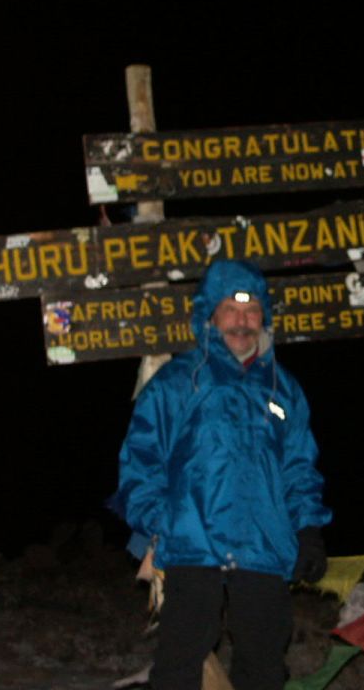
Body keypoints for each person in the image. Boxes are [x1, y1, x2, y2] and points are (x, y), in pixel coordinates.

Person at [113, 259, 332, 690]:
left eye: (251, 312)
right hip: (194, 546)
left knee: (265, 664)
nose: (242, 321)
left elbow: (300, 466)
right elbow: (140, 461)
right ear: (209, 315)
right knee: (180, 665)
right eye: (230, 309)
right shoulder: (178, 381)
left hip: (265, 545)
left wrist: (308, 528)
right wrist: (163, 522)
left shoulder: (282, 387)